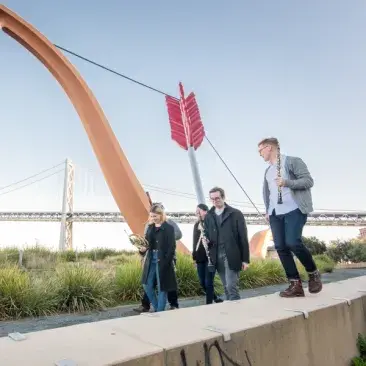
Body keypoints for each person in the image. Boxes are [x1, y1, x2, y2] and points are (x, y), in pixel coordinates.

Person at [258, 137, 322, 297]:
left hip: (294, 209)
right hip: (275, 214)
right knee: (280, 247)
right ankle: (295, 285)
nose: (260, 154)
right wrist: (268, 209)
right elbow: (268, 192)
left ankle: (313, 272)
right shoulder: (267, 171)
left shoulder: (293, 161)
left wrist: (287, 182)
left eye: (260, 150)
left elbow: (308, 181)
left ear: (269, 147)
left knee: (293, 242)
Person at [203, 187, 250, 301]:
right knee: (225, 287)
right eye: (212, 199)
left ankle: (237, 315)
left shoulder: (236, 214)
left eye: (217, 198)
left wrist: (245, 259)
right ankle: (232, 312)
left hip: (231, 254)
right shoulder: (209, 216)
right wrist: (206, 239)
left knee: (231, 286)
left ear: (223, 197)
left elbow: (243, 237)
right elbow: (208, 234)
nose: (215, 201)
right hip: (216, 255)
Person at [134, 203, 181, 313]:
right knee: (146, 285)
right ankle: (158, 309)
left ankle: (159, 312)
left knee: (162, 288)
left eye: (155, 216)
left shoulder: (169, 228)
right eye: (151, 216)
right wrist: (142, 250)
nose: (153, 218)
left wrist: (166, 262)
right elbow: (146, 244)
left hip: (163, 260)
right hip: (151, 259)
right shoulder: (150, 227)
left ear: (161, 215)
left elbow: (171, 248)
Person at [193, 203, 223, 304]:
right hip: (200, 257)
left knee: (208, 282)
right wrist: (194, 255)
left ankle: (209, 304)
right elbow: (194, 240)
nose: (197, 214)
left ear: (205, 211)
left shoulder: (212, 222)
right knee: (202, 282)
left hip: (210, 257)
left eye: (199, 211)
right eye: (196, 212)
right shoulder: (196, 225)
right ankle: (215, 297)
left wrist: (210, 243)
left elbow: (217, 238)